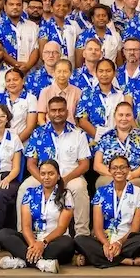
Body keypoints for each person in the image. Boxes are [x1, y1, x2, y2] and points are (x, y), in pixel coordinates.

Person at [23, 96, 93, 236]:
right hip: (43, 177)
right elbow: (31, 164)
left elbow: (84, 164)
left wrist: (64, 180)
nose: (57, 113)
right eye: (53, 110)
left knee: (80, 188)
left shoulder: (78, 133)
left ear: (67, 112)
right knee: (24, 188)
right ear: (47, 113)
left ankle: (82, 235)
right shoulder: (38, 133)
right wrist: (44, 180)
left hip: (71, 176)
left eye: (61, 110)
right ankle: (24, 234)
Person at [0, 158, 77, 273]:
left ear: (58, 176)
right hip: (32, 240)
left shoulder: (65, 194)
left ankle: (23, 260)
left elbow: (61, 228)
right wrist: (33, 245)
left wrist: (43, 243)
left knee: (68, 244)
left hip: (53, 241)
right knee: (3, 234)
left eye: (51, 174)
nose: (46, 177)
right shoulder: (30, 193)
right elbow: (26, 226)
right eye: (43, 174)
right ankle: (40, 263)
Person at [77, 154, 140, 267]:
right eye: (114, 168)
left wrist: (119, 243)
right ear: (109, 171)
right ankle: (128, 261)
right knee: (80, 240)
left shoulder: (138, 192)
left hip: (126, 241)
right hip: (104, 241)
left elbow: (135, 228)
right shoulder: (101, 192)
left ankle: (95, 258)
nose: (119, 171)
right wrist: (106, 244)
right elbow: (97, 227)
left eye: (122, 167)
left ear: (128, 169)